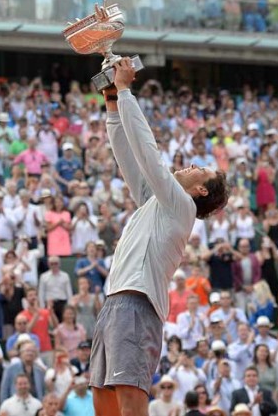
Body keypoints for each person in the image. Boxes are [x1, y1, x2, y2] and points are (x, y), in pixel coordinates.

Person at [89, 54, 228, 416]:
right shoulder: (157, 202)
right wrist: (112, 104)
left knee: (130, 399)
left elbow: (147, 153)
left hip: (138, 304)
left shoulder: (180, 206)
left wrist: (126, 90)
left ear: (200, 192)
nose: (191, 164)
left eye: (201, 169)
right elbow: (129, 157)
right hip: (115, 302)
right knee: (104, 402)